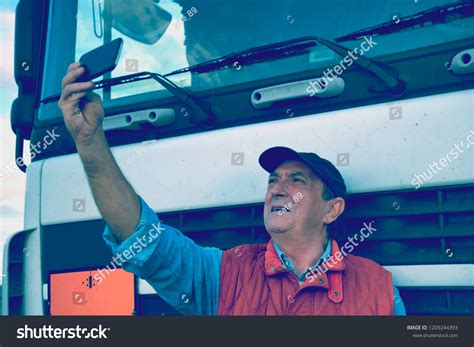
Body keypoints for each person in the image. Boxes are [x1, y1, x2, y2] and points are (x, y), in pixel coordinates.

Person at [59, 62, 406, 315]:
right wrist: (90, 143)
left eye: (296, 180)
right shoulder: (225, 274)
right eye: (273, 180)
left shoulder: (376, 287)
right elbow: (143, 239)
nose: (277, 189)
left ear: (332, 209)